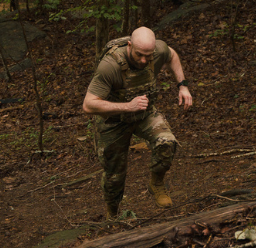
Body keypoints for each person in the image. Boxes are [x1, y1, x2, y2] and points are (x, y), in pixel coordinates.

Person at [83, 27, 193, 219]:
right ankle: (113, 214)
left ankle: (156, 183)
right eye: (139, 55)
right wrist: (127, 106)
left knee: (166, 142)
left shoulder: (157, 50)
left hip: (144, 115)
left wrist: (182, 85)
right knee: (114, 175)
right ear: (130, 45)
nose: (143, 60)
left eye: (148, 56)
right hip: (114, 121)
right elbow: (88, 105)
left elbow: (172, 54)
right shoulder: (110, 65)